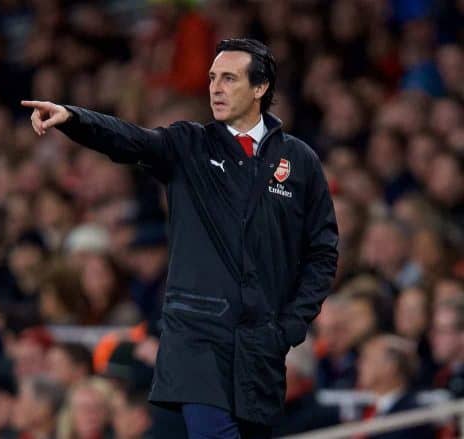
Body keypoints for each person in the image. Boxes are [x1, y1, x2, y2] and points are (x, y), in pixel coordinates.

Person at [22, 38, 338, 438]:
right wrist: (74, 118)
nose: (215, 88)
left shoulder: (300, 162)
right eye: (211, 78)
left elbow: (323, 252)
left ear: (260, 88)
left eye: (229, 78)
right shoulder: (189, 144)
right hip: (197, 337)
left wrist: (291, 324)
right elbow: (130, 139)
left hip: (261, 346)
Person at [356, 334, 435, 439]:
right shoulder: (368, 410)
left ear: (390, 367)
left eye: (367, 359)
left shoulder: (412, 416)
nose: (359, 364)